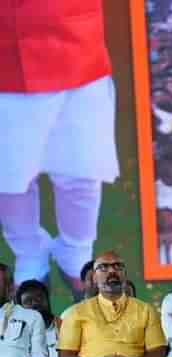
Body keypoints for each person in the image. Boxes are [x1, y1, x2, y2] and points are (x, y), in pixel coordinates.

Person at [0, 2, 119, 302]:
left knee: (80, 167)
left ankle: (76, 254)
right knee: (10, 177)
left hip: (76, 38)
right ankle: (29, 255)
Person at [57, 251, 167, 357]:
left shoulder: (145, 310)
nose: (111, 272)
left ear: (125, 274)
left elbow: (158, 350)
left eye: (118, 266)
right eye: (103, 267)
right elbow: (65, 356)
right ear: (93, 277)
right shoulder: (76, 312)